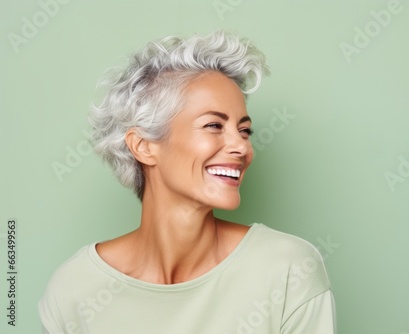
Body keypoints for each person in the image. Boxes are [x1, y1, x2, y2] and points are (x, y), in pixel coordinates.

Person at [38, 30, 336, 334]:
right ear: (144, 146)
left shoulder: (288, 269)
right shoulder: (74, 289)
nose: (242, 147)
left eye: (244, 130)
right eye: (213, 125)